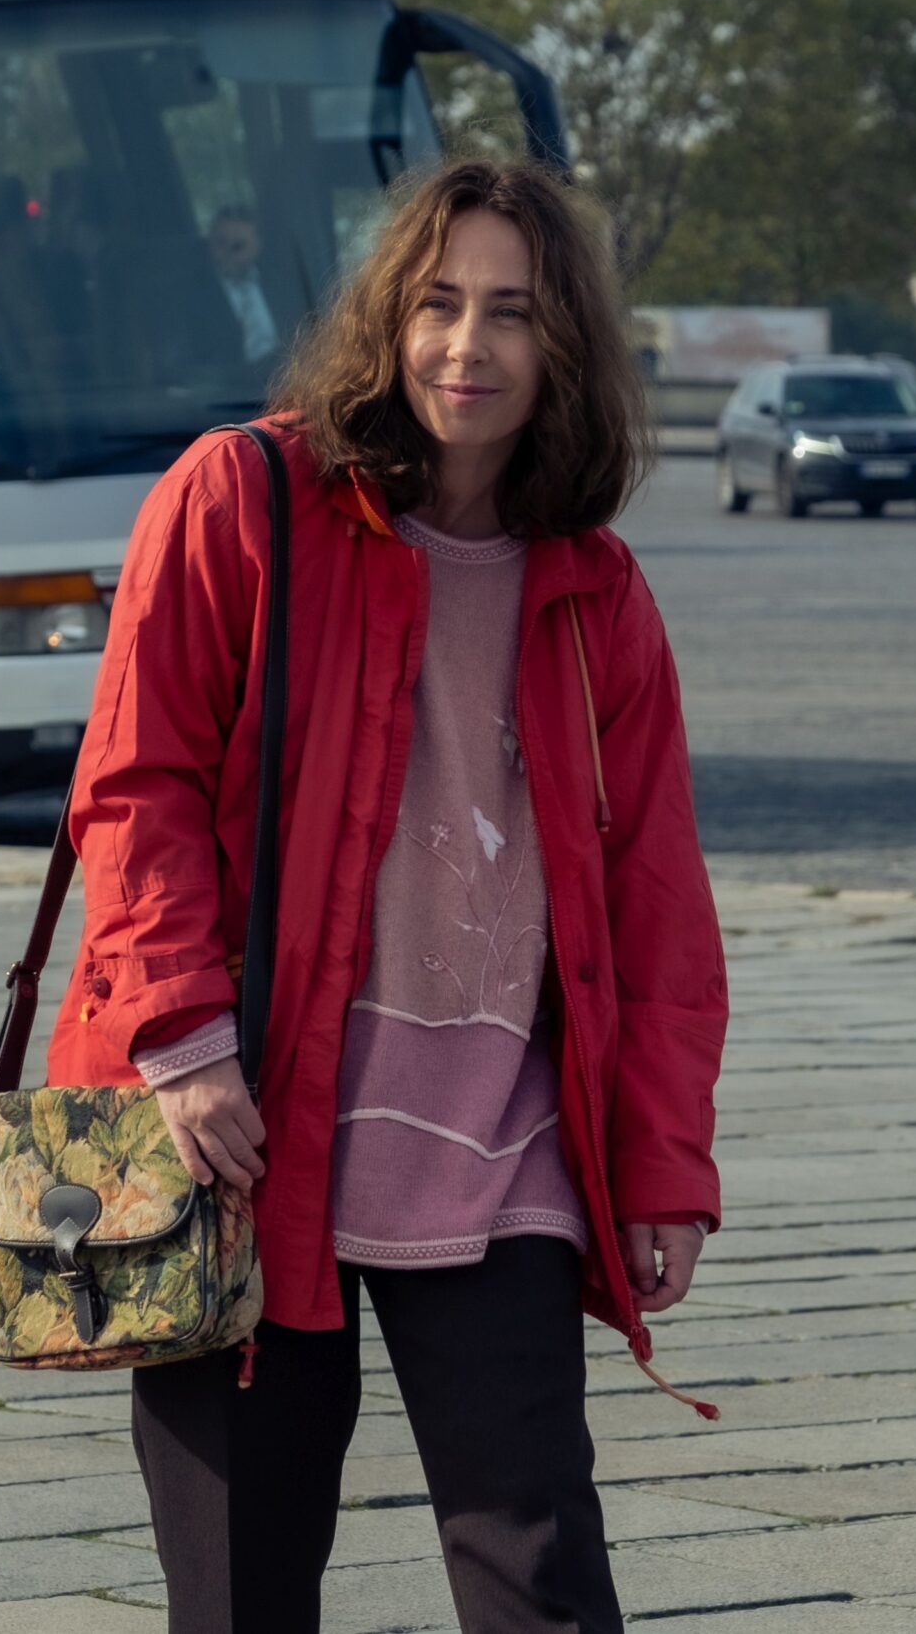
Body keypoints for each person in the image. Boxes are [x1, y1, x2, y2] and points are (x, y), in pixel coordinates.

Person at [46, 160, 727, 1633]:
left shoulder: (596, 588)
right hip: (243, 1123)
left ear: (565, 346)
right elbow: (135, 782)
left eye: (512, 312)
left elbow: (658, 899)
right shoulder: (241, 498)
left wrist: (664, 1163)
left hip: (500, 1137)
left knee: (545, 1574)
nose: (467, 345)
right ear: (386, 318)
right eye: (436, 303)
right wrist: (183, 1035)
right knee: (243, 1587)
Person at [207, 204, 282, 364]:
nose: (227, 253)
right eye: (220, 243)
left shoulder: (282, 285)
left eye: (238, 246)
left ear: (257, 246)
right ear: (210, 243)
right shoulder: (195, 296)